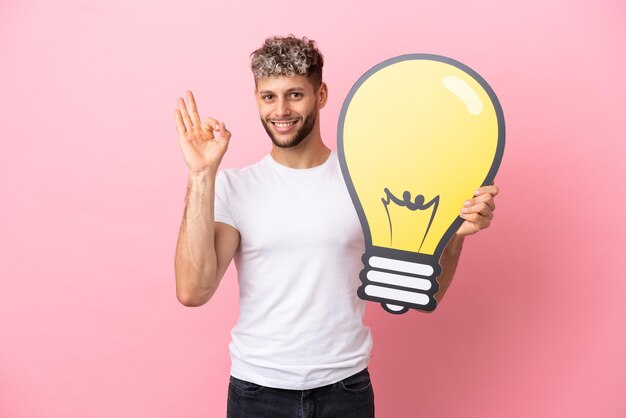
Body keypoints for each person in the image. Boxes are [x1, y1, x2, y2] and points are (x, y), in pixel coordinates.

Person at [173, 35, 499, 418]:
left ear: (321, 94)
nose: (281, 110)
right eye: (268, 96)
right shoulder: (234, 186)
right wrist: (200, 175)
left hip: (344, 391)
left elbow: (425, 294)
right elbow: (193, 291)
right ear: (257, 98)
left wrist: (453, 237)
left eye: (295, 94)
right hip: (256, 392)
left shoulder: (368, 183)